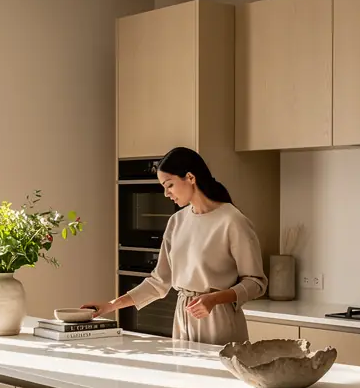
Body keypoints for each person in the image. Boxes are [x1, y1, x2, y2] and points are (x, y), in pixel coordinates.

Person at [83, 147, 268, 345]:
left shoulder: (232, 221)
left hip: (218, 318)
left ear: (190, 177)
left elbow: (256, 283)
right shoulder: (176, 221)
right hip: (182, 318)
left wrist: (214, 299)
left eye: (169, 185)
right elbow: (159, 281)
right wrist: (110, 306)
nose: (165, 194)